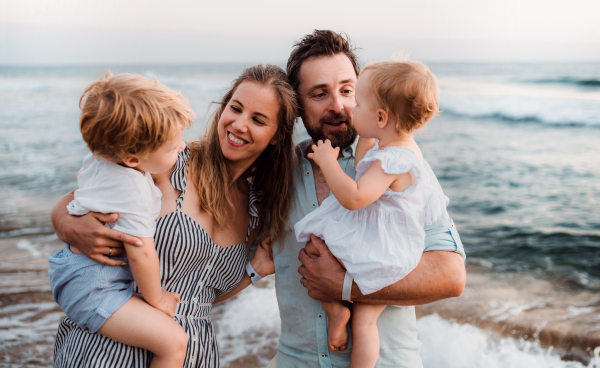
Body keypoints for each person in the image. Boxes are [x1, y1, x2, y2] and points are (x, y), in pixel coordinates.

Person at [50, 64, 298, 368]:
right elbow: (84, 190)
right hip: (110, 350)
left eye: (258, 120)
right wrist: (64, 222)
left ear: (276, 136)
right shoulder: (166, 161)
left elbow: (199, 296)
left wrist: (255, 269)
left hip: (194, 354)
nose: (239, 124)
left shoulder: (257, 210)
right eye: (236, 108)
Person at [267, 30, 466, 368]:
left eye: (348, 91)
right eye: (319, 93)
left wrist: (346, 287)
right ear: (297, 106)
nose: (339, 105)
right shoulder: (276, 174)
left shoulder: (399, 166)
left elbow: (451, 277)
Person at [49, 72, 194, 368]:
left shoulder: (99, 159)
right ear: (132, 159)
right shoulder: (134, 190)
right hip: (96, 286)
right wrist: (158, 299)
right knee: (174, 342)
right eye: (172, 145)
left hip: (75, 271)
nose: (182, 147)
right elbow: (141, 252)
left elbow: (80, 194)